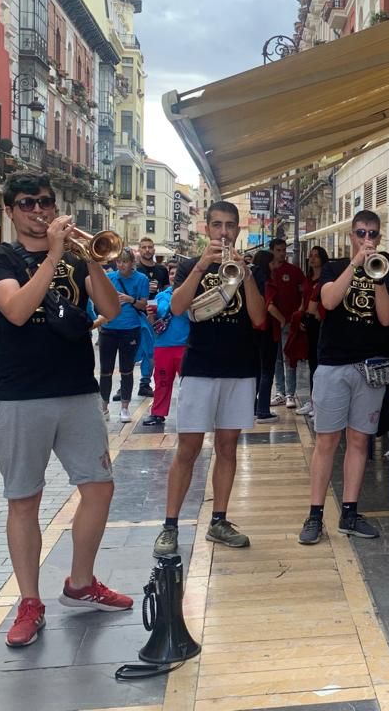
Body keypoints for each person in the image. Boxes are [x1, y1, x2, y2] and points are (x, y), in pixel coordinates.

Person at [0, 171, 130, 648]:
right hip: (21, 394)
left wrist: (92, 260)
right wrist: (50, 257)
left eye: (45, 202)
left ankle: (81, 583)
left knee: (100, 488)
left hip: (78, 391)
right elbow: (18, 310)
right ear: (10, 210)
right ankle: (29, 601)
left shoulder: (73, 254)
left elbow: (110, 310)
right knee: (24, 500)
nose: (39, 210)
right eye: (28, 203)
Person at [153, 201, 266, 557]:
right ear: (206, 229)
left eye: (230, 225)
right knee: (187, 449)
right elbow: (176, 308)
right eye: (216, 225)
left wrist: (246, 275)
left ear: (238, 229)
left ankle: (219, 520)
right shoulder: (190, 265)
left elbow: (259, 318)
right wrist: (202, 265)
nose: (223, 232)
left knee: (227, 447)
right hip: (200, 367)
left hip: (239, 367)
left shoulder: (250, 268)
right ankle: (170, 526)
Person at [298, 211, 389, 545]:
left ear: (379, 236)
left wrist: (379, 279)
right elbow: (328, 300)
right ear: (351, 235)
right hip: (333, 365)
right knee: (327, 441)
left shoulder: (388, 274)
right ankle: (315, 515)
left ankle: (349, 512)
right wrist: (356, 264)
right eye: (360, 232)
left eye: (372, 233)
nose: (367, 238)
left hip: (370, 367)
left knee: (360, 441)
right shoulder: (333, 267)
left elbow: (386, 319)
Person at [98, 249, 150, 423]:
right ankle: (103, 407)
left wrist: (130, 300)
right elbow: (100, 298)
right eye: (118, 262)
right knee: (105, 369)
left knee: (126, 369)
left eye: (125, 262)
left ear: (132, 263)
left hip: (130, 328)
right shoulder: (109, 277)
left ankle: (124, 407)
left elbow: (144, 305)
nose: (121, 265)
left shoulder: (141, 279)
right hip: (109, 327)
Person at [142, 261, 189, 426]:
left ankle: (191, 413)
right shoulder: (160, 296)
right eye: (171, 273)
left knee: (189, 383)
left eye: (177, 273)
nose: (174, 276)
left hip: (185, 345)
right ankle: (157, 413)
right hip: (163, 345)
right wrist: (150, 316)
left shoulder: (191, 295)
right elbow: (152, 322)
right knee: (162, 380)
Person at [266, 238, 305, 409]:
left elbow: (305, 292)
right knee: (276, 360)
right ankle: (280, 392)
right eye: (279, 250)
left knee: (289, 358)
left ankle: (290, 393)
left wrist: (299, 314)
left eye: (284, 250)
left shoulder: (294, 271)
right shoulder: (268, 272)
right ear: (272, 251)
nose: (282, 253)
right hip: (272, 323)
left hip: (290, 323)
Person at [295, 246, 329, 418]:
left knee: (320, 361)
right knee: (311, 361)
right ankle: (313, 399)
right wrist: (301, 317)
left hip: (321, 321)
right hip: (309, 320)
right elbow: (304, 300)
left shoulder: (326, 278)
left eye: (316, 256)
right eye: (311, 256)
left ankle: (320, 403)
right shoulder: (308, 278)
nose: (313, 259)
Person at [134, 237, 168, 398]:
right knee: (131, 349)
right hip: (136, 313)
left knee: (151, 349)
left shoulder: (162, 270)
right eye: (144, 247)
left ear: (154, 249)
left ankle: (145, 382)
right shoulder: (135, 269)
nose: (147, 250)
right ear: (139, 250)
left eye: (150, 247)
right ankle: (124, 385)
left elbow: (168, 290)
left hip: (155, 313)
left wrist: (159, 289)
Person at [253, 249, 279, 422]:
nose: (275, 265)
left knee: (257, 369)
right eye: (272, 262)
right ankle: (263, 409)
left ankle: (253, 406)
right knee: (267, 370)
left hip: (254, 330)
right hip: (267, 328)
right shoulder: (266, 281)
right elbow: (269, 305)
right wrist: (283, 319)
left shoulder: (251, 279)